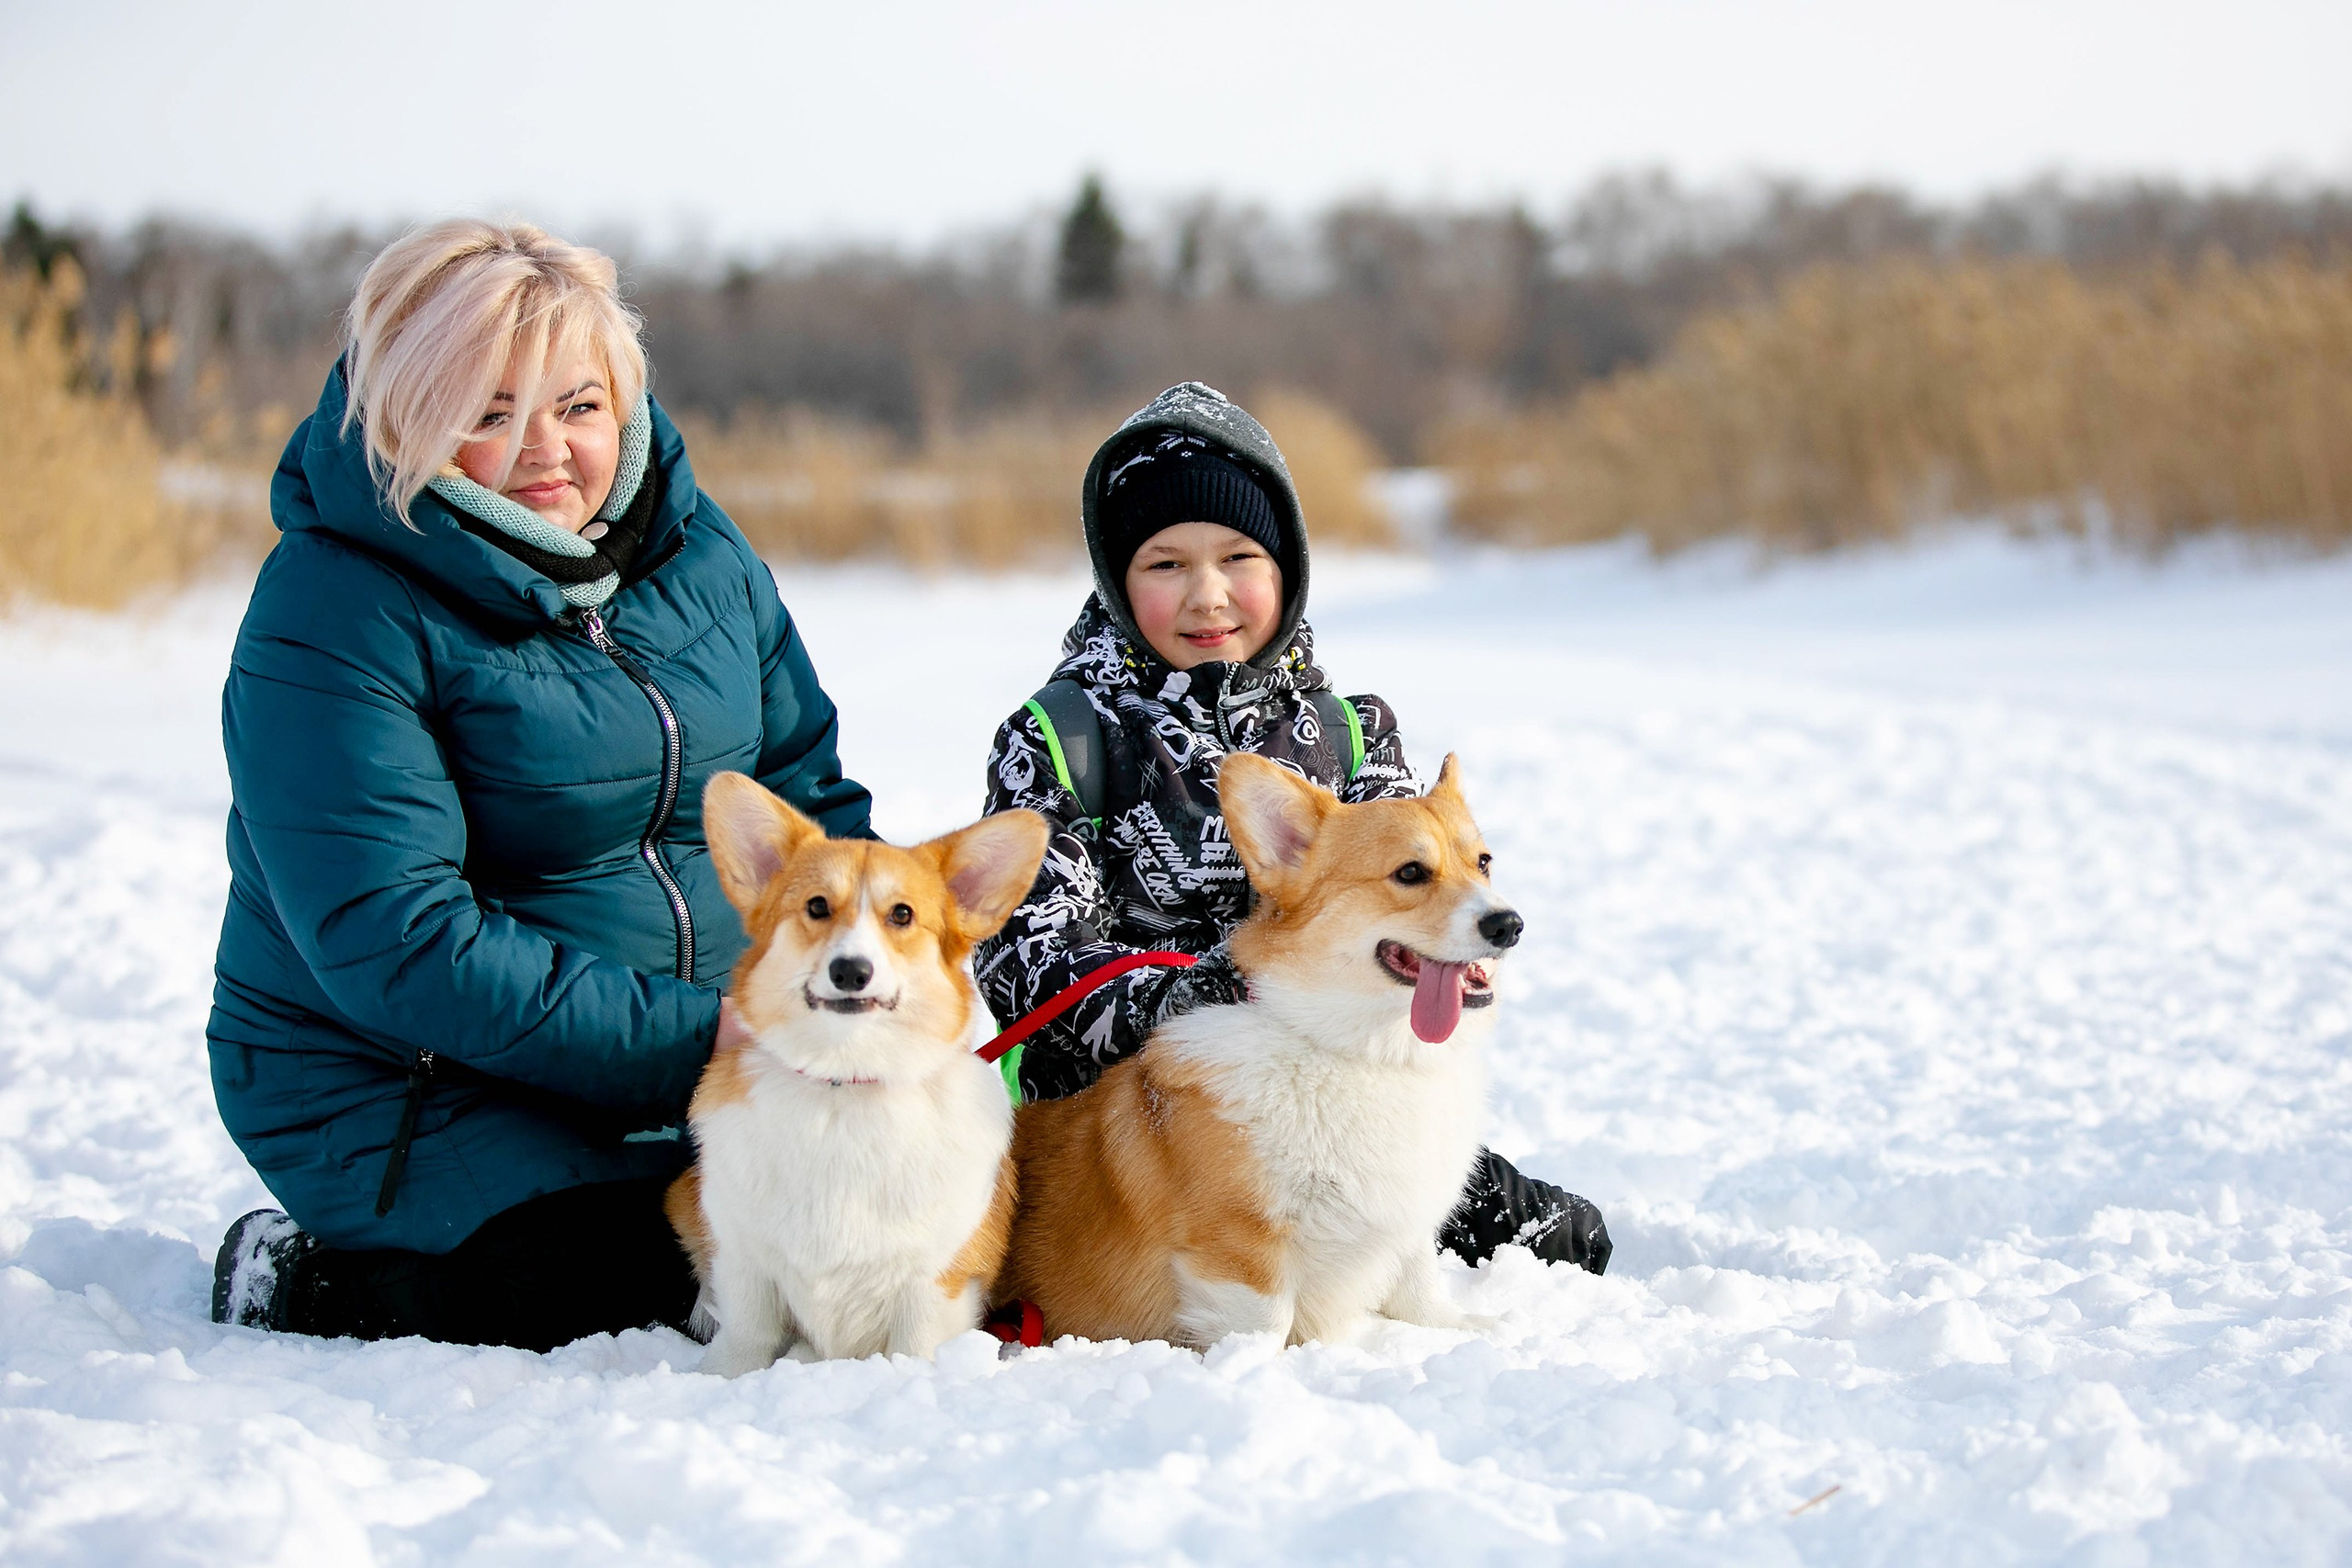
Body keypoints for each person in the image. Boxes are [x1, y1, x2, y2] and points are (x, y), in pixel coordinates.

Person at [207, 220, 870, 1350]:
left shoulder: (701, 556)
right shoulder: (334, 607)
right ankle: (303, 1281)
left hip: (714, 1053)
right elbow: (398, 937)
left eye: (578, 405)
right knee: (638, 1279)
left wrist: (858, 984)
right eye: (488, 414)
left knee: (892, 1233)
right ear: (408, 419)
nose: (545, 450)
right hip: (410, 1079)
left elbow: (810, 801)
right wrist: (704, 1042)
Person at [975, 383, 1612, 1274]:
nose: (1208, 596)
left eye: (1239, 558)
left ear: (1287, 569)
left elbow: (1414, 910)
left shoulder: (1351, 734)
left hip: (1326, 1097)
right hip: (1120, 1117)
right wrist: (1193, 995)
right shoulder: (1062, 738)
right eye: (1165, 565)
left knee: (1557, 1234)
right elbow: (1027, 959)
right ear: (1117, 581)